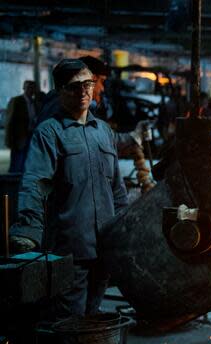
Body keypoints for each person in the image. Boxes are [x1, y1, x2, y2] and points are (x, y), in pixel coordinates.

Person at [9, 59, 128, 317]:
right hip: (70, 249)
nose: (84, 91)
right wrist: (28, 229)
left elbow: (117, 190)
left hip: (104, 247)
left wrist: (124, 232)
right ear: (61, 91)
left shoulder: (104, 132)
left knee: (93, 319)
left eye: (88, 84)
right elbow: (35, 182)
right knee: (68, 322)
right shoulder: (49, 133)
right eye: (75, 87)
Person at [36, 55, 147, 157]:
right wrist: (132, 137)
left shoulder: (62, 100)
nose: (102, 88)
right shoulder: (68, 105)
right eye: (101, 81)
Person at [4, 80, 40, 173]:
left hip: (31, 135)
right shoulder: (16, 101)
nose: (31, 90)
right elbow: (10, 121)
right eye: (29, 88)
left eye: (33, 88)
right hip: (19, 137)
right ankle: (11, 184)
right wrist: (9, 139)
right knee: (16, 163)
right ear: (24, 88)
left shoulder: (35, 102)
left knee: (27, 162)